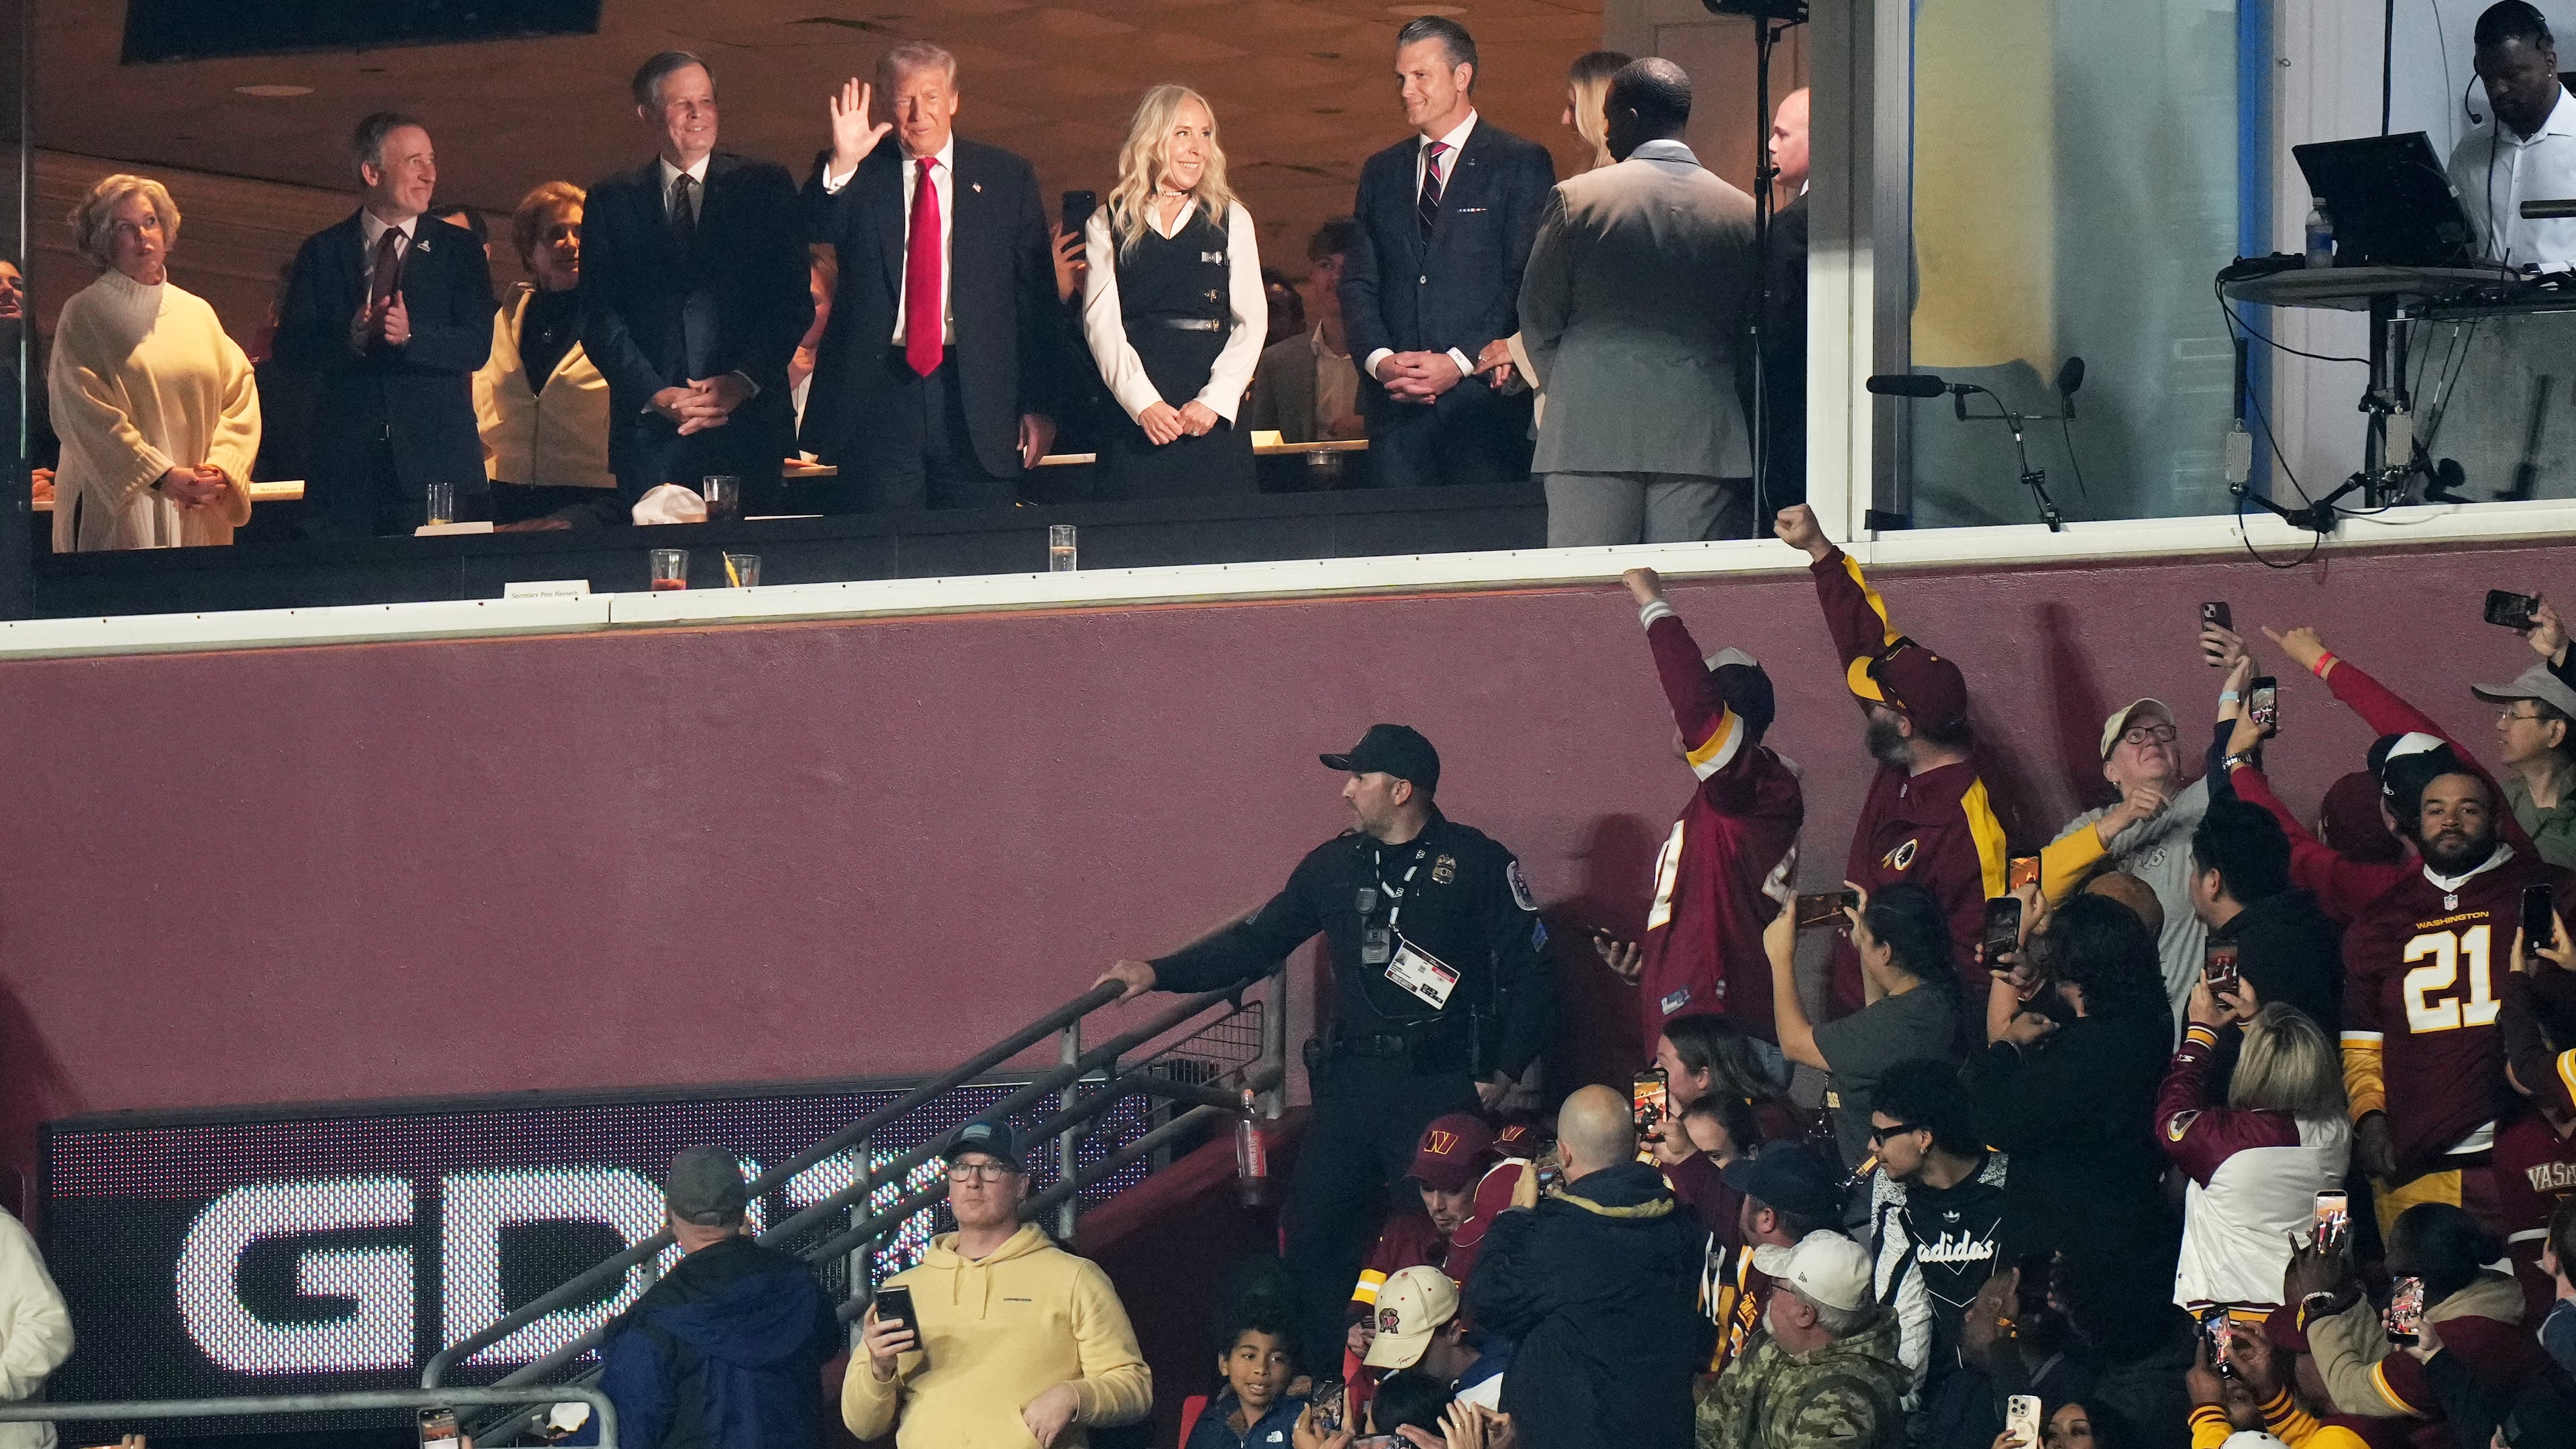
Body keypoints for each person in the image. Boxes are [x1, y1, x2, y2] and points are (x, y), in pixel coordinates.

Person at [1094, 722, 1554, 1378]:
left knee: (1448, 1236)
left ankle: (1463, 1388)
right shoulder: (1333, 867)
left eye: (1359, 778)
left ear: (1400, 790)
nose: (1345, 792)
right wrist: (1158, 971)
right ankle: (1324, 1386)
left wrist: (1504, 1071)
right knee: (1312, 1233)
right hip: (1351, 1086)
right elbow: (1257, 943)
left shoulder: (1475, 862)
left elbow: (1534, 971)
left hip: (1436, 1082)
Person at [802, 43, 1060, 511]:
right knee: (884, 558)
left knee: (979, 558)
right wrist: (841, 165)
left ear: (955, 100)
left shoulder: (1005, 177)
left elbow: (1035, 303)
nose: (919, 113)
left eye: (932, 97)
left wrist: (1039, 404)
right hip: (880, 397)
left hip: (976, 397)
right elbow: (812, 228)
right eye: (904, 100)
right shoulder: (856, 169)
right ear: (885, 104)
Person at [1776, 503, 2012, 1009]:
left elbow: (1988, 955)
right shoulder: (1906, 748)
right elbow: (1864, 638)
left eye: (1876, 703)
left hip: (1910, 1039)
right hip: (1853, 1011)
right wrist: (1820, 553)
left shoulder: (1972, 820)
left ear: (1905, 724)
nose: (1865, 703)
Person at [1521, 58, 1756, 546]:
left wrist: (1572, 383)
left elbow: (1538, 317)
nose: (1604, 131)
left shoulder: (1577, 200)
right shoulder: (1744, 213)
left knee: (1589, 598)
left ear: (1628, 115)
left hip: (1589, 432)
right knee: (1686, 597)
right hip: (1702, 433)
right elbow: (1748, 321)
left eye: (1608, 116)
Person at [580, 52, 809, 519]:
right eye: (682, 104)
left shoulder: (763, 186)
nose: (698, 114)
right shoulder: (612, 199)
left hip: (747, 427)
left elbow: (790, 304)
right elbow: (599, 315)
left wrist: (741, 383)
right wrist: (655, 393)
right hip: (653, 436)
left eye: (706, 101)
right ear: (647, 115)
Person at [1590, 566, 1803, 1055]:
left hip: (1719, 1036)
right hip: (1704, 1024)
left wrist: (1653, 604)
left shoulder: (1754, 789)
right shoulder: (1734, 797)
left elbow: (1697, 711)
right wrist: (1656, 968)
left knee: (1709, 1135)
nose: (1676, 715)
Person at [1339, 16, 1556, 489]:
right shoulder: (1382, 171)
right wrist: (1381, 360)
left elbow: (1524, 280)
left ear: (1462, 78)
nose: (1406, 90)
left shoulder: (1519, 162)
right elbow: (1359, 281)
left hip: (1482, 415)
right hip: (1396, 416)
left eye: (1420, 76)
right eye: (1401, 78)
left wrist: (1457, 362)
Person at [844, 1120, 1150, 1448]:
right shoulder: (905, 1288)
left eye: (991, 1168)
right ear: (949, 1185)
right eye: (961, 1168)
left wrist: (1074, 1395)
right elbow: (863, 1426)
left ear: (1021, 1187)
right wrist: (879, 1368)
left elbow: (1135, 1387)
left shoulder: (1075, 1277)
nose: (973, 1181)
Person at [275, 112, 493, 535]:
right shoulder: (324, 251)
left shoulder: (460, 250)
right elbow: (292, 350)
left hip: (434, 466)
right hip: (345, 469)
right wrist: (350, 337)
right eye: (414, 161)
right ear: (372, 173)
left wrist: (412, 337)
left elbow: (475, 346)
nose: (429, 175)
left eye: (431, 160)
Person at [1468, 1084, 1700, 1449]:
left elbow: (1485, 1301)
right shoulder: (1678, 1218)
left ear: (1564, 1153)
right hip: (1661, 1427)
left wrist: (1514, 1216)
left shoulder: (1559, 1237)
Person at [47, 174, 260, 551]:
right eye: (124, 228)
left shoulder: (197, 312)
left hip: (199, 502)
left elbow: (239, 391)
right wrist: (161, 476)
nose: (143, 236)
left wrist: (221, 467)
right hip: (125, 507)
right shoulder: (85, 313)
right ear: (102, 241)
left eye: (150, 222)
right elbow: (80, 411)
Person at [1078, 84, 1264, 500]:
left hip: (1212, 413)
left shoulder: (1232, 218)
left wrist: (1216, 401)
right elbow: (1101, 325)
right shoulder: (1108, 221)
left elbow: (1253, 322)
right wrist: (1142, 403)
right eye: (1183, 133)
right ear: (1152, 139)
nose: (1197, 148)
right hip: (1135, 417)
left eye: (1205, 134)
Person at [591, 1146, 839, 1449]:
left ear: (667, 1213)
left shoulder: (658, 1316)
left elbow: (626, 1432)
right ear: (743, 1210)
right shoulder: (799, 1286)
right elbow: (828, 1345)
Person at [1973, 894, 2176, 1260]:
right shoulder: (2152, 1022)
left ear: (2075, 973)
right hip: (2133, 1223)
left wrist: (2008, 1045)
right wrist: (2034, 980)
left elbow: (1994, 1121)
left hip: (2068, 1249)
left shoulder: (2083, 1054)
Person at [2158, 988, 2350, 1311]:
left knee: (2216, 1364)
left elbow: (2171, 1117)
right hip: (2305, 1312)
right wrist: (2254, 1025)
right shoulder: (2337, 1131)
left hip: (2225, 1317)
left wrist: (2201, 1033)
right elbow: (2289, 1079)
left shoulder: (2219, 1139)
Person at [1767, 884, 1965, 1169]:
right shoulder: (1932, 1000)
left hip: (1885, 1186)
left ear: (1886, 952)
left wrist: (1780, 958)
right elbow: (1878, 1014)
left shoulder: (1907, 1020)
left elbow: (1794, 1043)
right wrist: (1866, 944)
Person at [2047, 695, 2214, 1024]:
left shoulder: (2201, 802)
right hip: (2109, 1030)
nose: (2152, 739)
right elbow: (2035, 889)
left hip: (2184, 1023)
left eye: (2163, 732)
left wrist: (2244, 680)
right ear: (2111, 770)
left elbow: (2239, 756)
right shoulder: (2089, 826)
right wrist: (2119, 820)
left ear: (2176, 754)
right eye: (2134, 736)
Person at [2294, 1204, 2540, 1425]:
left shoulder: (2452, 1342)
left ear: (2407, 1269)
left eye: (2390, 1248)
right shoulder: (2424, 1289)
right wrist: (2344, 1292)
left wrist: (2318, 1302)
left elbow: (2351, 1393)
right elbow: (2386, 1355)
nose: (2385, 1258)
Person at [1864, 1058, 2009, 1429]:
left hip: (2018, 1377)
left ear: (1924, 1137)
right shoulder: (1893, 1192)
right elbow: (1900, 1308)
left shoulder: (2009, 1181)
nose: (1871, 1146)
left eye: (1881, 1135)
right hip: (1948, 1389)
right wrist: (1899, 1410)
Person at [474, 181, 616, 529]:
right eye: (555, 234)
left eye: (582, 232)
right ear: (529, 251)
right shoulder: (504, 318)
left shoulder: (617, 317)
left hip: (593, 497)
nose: (571, 243)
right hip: (506, 493)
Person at [1694, 1231, 1908, 1449]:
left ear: (1805, 1314)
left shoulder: (1841, 1405)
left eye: (1777, 1288)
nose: (1769, 1296)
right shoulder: (1770, 1345)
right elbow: (1709, 1422)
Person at [2188, 800, 2343, 1037]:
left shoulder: (2225, 961)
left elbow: (2216, 1061)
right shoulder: (2320, 926)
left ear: (2213, 881)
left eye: (2193, 868)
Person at [2446, 2, 2576, 269]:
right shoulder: (2470, 152)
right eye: (2487, 78)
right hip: (2489, 310)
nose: (2498, 90)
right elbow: (2456, 247)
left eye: (2511, 75)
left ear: (2550, 61)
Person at [1709, 1142, 1843, 1378]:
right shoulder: (1823, 1272)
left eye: (1746, 1199)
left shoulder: (1793, 1305)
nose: (1739, 1207)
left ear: (1766, 1219)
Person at [1244, 219, 1364, 445]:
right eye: (1325, 265)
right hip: (1302, 479)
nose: (1336, 278)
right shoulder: (1278, 361)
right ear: (1312, 275)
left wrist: (1370, 428)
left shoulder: (1394, 354)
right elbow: (1260, 444)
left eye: (1349, 266)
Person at [1750, 87, 1810, 509]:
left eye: (1782, 135)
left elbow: (1778, 329)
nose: (1770, 145)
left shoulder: (1794, 225)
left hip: (1795, 408)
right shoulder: (1871, 212)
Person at [1362, 1265, 1511, 1411]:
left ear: (1454, 1332)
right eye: (1394, 1353)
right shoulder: (1400, 1379)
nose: (1403, 1367)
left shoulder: (1504, 1392)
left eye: (1416, 1355)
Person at [2471, 661, 2576, 869]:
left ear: (2555, 731)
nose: (2500, 724)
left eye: (2514, 715)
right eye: (2503, 714)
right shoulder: (2494, 801)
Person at [1185, 1310, 1305, 1449]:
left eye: (1276, 1359)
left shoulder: (1302, 1421)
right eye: (1249, 1356)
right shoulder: (1212, 1423)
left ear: (1291, 1368)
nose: (1261, 1369)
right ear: (1224, 1363)